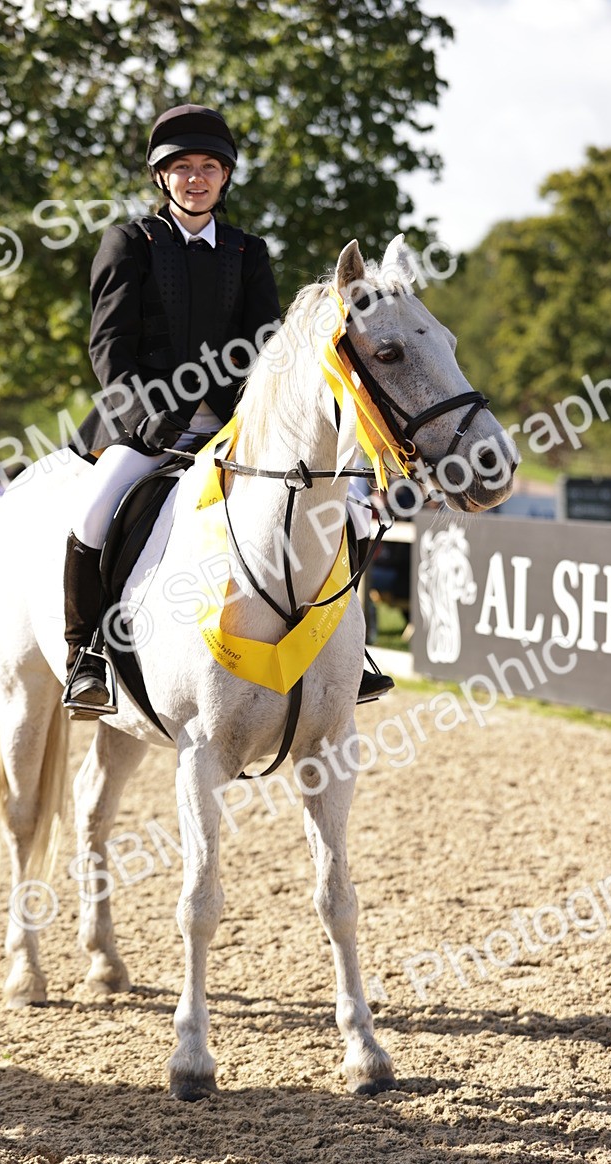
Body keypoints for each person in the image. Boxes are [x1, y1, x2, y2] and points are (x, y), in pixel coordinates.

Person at [63, 103, 392, 715]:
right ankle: (86, 656)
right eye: (182, 167)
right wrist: (147, 413)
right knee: (94, 512)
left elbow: (268, 349)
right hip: (146, 426)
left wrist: (248, 415)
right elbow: (109, 349)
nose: (196, 178)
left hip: (236, 429)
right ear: (162, 176)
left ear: (225, 177)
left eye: (209, 167)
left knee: (335, 507)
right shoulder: (129, 243)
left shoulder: (248, 252)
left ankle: (348, 655)